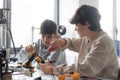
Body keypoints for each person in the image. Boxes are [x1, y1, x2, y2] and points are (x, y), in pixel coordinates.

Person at [40, 5, 119, 80]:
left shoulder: (103, 42)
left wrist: (53, 70)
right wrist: (62, 41)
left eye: (77, 25)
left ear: (87, 24)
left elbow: (86, 68)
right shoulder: (87, 39)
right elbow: (71, 42)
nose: (75, 29)